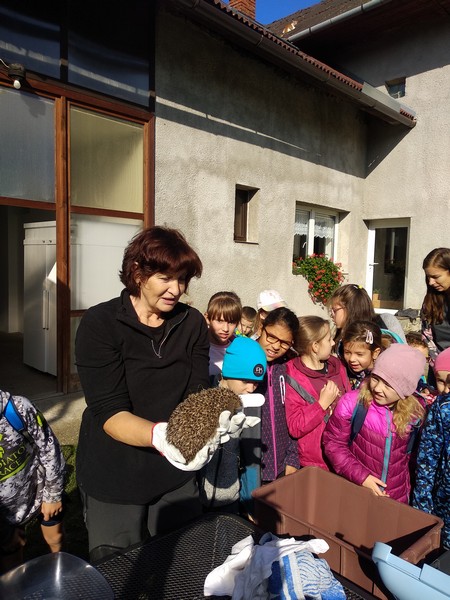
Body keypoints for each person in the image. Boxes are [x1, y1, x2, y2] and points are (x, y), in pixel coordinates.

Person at [75, 226, 250, 561]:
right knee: (119, 568)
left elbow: (196, 390)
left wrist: (214, 416)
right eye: (165, 278)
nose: (176, 289)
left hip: (174, 472)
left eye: (182, 279)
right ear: (137, 272)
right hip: (115, 472)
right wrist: (162, 436)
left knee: (184, 561)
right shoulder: (101, 324)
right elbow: (109, 412)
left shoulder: (191, 323)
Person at [323, 344, 425, 503]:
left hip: (396, 497)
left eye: (388, 385)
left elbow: (411, 460)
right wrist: (362, 477)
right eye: (376, 379)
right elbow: (333, 443)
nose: (377, 388)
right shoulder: (353, 403)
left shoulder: (415, 414)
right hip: (357, 491)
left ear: (405, 389)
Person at [240, 307, 300, 514]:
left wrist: (292, 458)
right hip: (250, 466)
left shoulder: (288, 367)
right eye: (271, 337)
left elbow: (293, 416)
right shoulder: (244, 359)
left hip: (283, 466)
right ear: (261, 327)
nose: (275, 346)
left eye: (284, 342)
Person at [198, 336, 267, 513]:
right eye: (245, 380)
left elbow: (248, 455)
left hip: (231, 498)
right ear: (229, 372)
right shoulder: (203, 395)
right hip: (197, 499)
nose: (251, 388)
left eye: (256, 383)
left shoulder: (249, 402)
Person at [0, 390, 65, 574]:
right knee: (12, 559)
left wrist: (53, 496)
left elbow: (50, 449)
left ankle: (60, 573)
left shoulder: (17, 408)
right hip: (4, 514)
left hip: (40, 493)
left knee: (55, 539)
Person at [284, 316, 350, 471]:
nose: (333, 343)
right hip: (316, 464)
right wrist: (321, 405)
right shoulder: (291, 375)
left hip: (344, 457)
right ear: (315, 346)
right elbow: (295, 426)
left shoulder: (338, 367)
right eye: (328, 339)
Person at [412, 348, 450, 548]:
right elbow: (427, 459)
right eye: (440, 381)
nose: (445, 389)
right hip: (444, 503)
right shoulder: (441, 409)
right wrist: (423, 506)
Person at [329, 284, 406, 356]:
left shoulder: (386, 321)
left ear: (350, 309)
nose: (331, 314)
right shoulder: (340, 336)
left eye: (335, 310)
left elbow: (406, 353)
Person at [204, 291, 242, 386]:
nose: (225, 329)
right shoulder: (196, 344)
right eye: (220, 321)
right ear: (207, 318)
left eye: (231, 322)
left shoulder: (240, 349)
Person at [421, 248, 450, 363]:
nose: (430, 282)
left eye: (435, 277)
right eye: (428, 277)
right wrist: (438, 363)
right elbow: (427, 336)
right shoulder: (430, 300)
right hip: (438, 365)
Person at [341, 321, 383, 389]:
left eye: (359, 354)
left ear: (375, 353)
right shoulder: (341, 368)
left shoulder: (382, 378)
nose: (351, 359)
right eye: (347, 352)